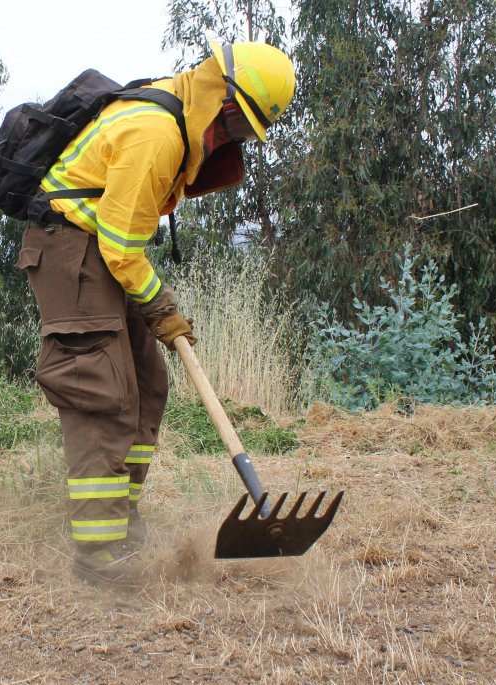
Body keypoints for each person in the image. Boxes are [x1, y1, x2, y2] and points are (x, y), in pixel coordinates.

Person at [15, 40, 297, 583]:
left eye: (244, 136)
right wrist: (163, 308)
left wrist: (158, 314)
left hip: (99, 248)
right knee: (103, 391)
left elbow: (121, 243)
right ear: (222, 101)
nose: (233, 141)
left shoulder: (177, 118)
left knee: (148, 381)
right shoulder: (156, 133)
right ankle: (97, 553)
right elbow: (122, 248)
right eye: (237, 128)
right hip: (70, 249)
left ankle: (120, 515)